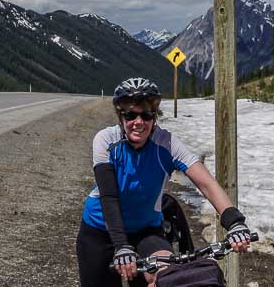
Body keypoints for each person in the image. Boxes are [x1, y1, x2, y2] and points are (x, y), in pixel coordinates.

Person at [75, 77, 252, 286]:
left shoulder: (166, 143)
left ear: (154, 116)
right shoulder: (106, 140)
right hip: (100, 230)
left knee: (169, 277)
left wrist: (234, 220)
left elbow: (206, 183)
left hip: (145, 230)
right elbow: (109, 196)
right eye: (130, 115)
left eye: (146, 115)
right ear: (120, 117)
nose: (138, 122)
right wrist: (122, 246)